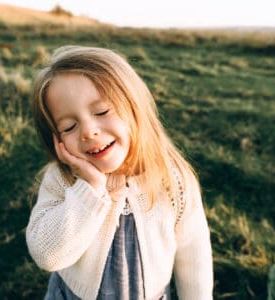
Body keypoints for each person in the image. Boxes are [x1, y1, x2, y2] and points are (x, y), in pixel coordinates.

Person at [26, 45, 213, 300]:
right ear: (56, 140)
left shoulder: (173, 180)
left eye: (102, 111)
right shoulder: (62, 180)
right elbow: (48, 255)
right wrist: (90, 187)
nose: (88, 131)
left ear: (135, 108)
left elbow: (194, 254)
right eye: (69, 127)